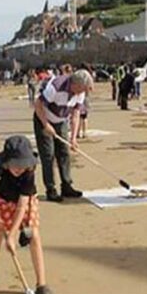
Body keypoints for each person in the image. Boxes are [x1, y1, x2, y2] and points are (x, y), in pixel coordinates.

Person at [0, 135, 53, 294]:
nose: (19, 169)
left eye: (22, 165)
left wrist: (13, 235)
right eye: (15, 165)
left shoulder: (29, 172)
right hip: (3, 200)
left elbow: (22, 206)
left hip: (26, 202)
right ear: (7, 162)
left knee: (33, 235)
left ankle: (41, 283)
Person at [33, 69, 92, 202]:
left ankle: (66, 186)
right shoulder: (56, 86)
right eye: (82, 89)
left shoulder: (80, 93)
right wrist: (46, 125)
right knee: (48, 155)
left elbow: (76, 114)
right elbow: (38, 104)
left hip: (61, 121)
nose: (83, 93)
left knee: (64, 152)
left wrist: (73, 138)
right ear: (75, 84)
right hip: (43, 118)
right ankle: (51, 189)